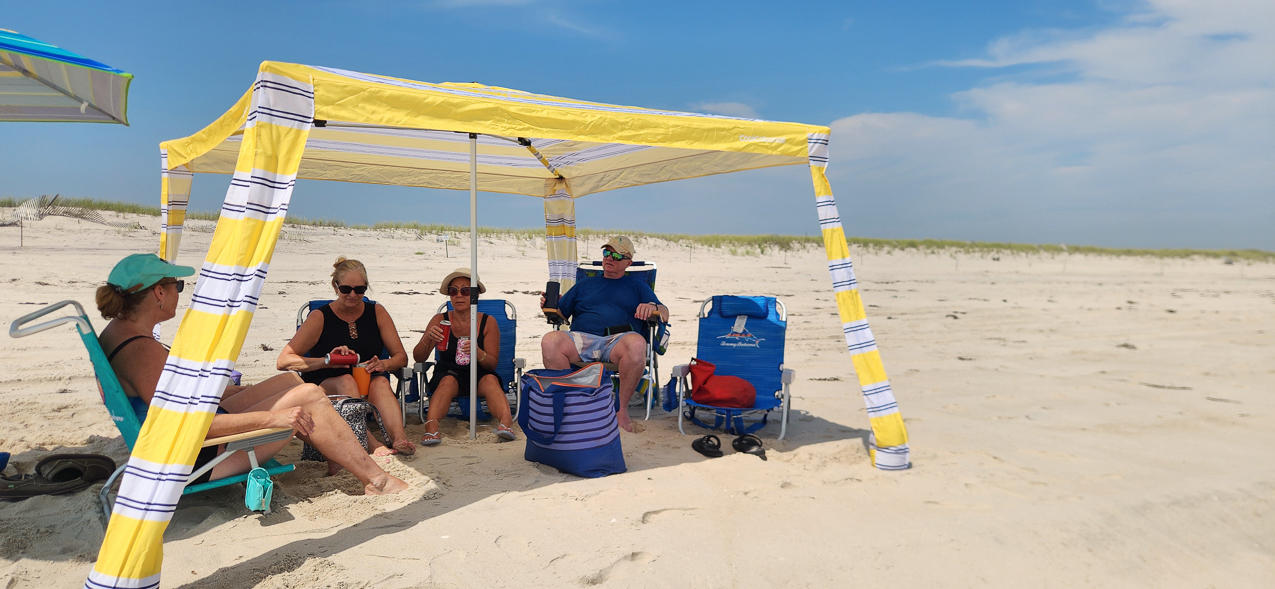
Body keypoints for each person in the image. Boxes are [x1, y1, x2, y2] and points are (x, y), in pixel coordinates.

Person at [96, 253, 407, 496]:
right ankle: (376, 480)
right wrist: (273, 419)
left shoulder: (121, 334)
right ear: (159, 293)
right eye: (178, 286)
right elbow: (189, 426)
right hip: (194, 459)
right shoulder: (141, 350)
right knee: (309, 397)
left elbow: (175, 406)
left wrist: (230, 393)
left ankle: (339, 454)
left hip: (180, 442)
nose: (180, 292)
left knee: (289, 382)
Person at [277, 257, 415, 456]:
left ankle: (399, 438)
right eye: (346, 289)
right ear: (335, 286)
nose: (353, 294)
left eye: (359, 289)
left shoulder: (376, 312)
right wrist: (328, 361)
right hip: (326, 385)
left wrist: (383, 364)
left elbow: (401, 357)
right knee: (346, 380)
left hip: (366, 380)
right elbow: (284, 361)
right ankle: (371, 442)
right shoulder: (319, 317)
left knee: (381, 383)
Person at [540, 236, 668, 432]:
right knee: (550, 340)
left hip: (617, 342)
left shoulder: (638, 286)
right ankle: (572, 405)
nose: (609, 258)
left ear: (628, 263)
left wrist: (651, 306)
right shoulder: (585, 284)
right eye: (606, 253)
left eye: (616, 255)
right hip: (582, 338)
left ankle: (621, 410)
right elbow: (561, 315)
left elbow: (664, 313)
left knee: (637, 343)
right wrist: (549, 306)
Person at [412, 269, 516, 445]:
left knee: (490, 380)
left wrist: (478, 352)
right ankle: (431, 429)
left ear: (475, 295)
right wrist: (428, 338)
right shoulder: (440, 320)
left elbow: (491, 363)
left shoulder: (487, 322)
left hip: (480, 373)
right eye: (453, 291)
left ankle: (505, 425)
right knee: (448, 381)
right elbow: (418, 357)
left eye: (466, 291)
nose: (459, 295)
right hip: (448, 372)